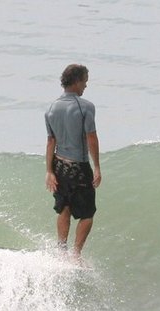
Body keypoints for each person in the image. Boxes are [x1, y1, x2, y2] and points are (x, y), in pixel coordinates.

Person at [44, 64, 101, 259]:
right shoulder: (85, 106)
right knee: (87, 215)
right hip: (78, 166)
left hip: (59, 164)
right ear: (76, 81)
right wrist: (97, 168)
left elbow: (51, 141)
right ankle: (75, 255)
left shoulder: (51, 108)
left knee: (65, 208)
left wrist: (49, 171)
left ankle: (61, 250)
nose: (86, 85)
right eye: (85, 81)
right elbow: (91, 137)